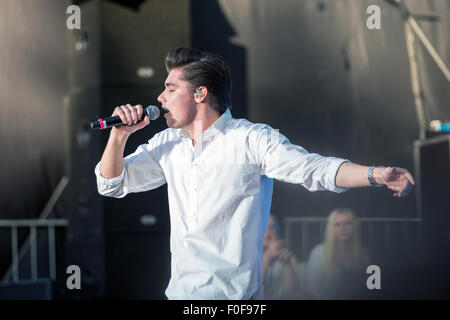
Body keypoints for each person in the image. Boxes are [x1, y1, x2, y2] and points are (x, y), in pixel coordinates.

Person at [94, 47, 415, 300]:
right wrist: (119, 135)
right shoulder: (167, 143)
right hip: (181, 295)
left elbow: (314, 169)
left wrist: (375, 174)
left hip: (237, 298)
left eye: (169, 88)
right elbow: (111, 183)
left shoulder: (250, 139)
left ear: (200, 94)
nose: (159, 98)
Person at [305, 208, 369, 299]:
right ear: (331, 228)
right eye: (337, 225)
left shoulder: (362, 253)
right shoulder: (318, 253)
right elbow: (312, 290)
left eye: (347, 223)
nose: (343, 228)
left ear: (354, 226)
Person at [263, 214, 299, 299]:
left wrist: (287, 264)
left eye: (272, 227)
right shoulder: (247, 259)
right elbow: (252, 290)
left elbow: (289, 293)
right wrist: (268, 255)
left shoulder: (286, 257)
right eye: (264, 226)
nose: (269, 230)